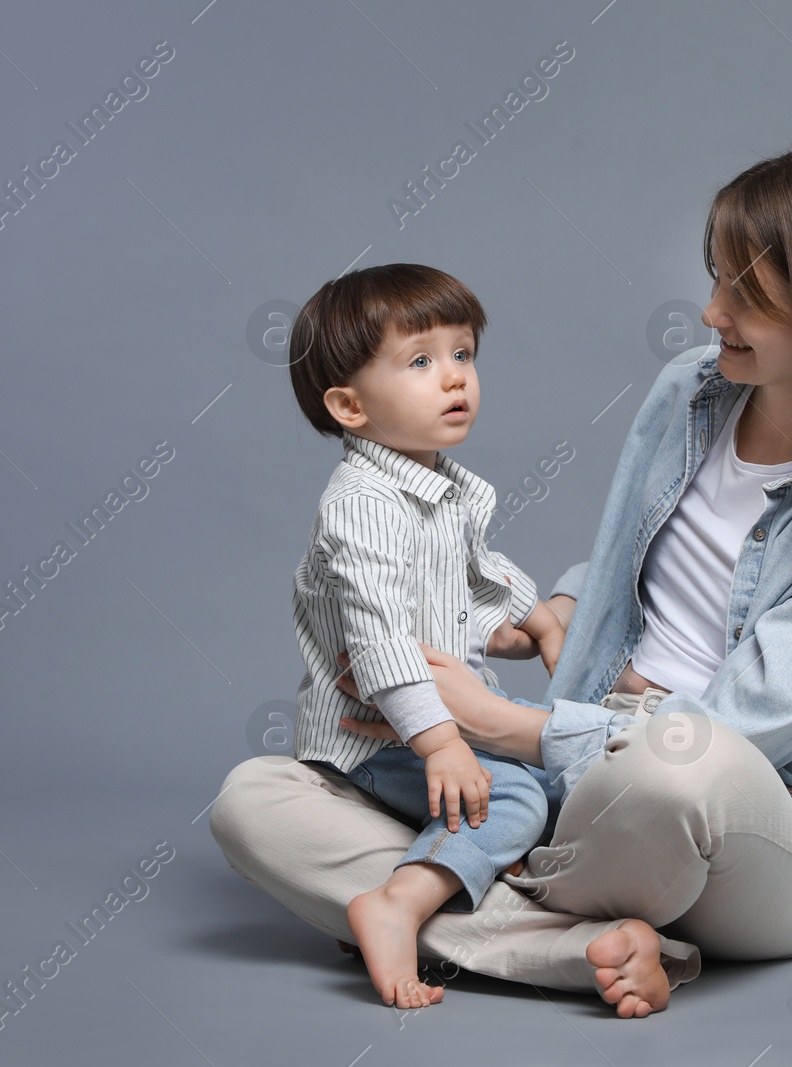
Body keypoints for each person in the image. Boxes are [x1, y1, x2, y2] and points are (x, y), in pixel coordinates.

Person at [212, 145, 792, 1020]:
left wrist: (496, 726)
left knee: (675, 770)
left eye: (749, 297)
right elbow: (639, 567)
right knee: (255, 800)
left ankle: (463, 886)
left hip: (740, 815)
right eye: (715, 278)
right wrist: (555, 610)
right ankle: (576, 942)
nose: (711, 311)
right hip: (583, 769)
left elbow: (734, 732)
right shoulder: (690, 395)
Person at [282, 263, 568, 1009]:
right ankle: (397, 905)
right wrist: (441, 742)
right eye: (420, 362)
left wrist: (529, 622)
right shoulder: (365, 505)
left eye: (463, 354)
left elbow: (467, 585)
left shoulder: (437, 488)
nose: (454, 379)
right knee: (508, 795)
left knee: (557, 786)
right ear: (349, 405)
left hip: (433, 720)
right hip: (379, 736)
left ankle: (448, 877)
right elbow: (379, 636)